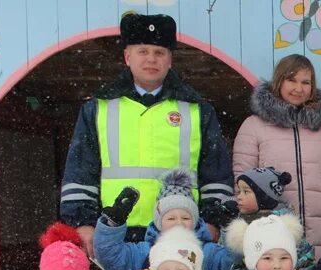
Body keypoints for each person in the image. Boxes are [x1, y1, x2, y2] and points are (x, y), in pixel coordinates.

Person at [61, 12, 234, 253]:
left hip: (182, 232)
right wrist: (82, 223)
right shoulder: (97, 108)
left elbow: (216, 173)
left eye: (159, 52)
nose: (151, 59)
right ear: (127, 57)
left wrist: (214, 222)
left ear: (170, 59)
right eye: (143, 51)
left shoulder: (198, 110)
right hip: (116, 232)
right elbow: (80, 171)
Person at [232, 54, 321, 259]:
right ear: (279, 81)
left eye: (306, 82)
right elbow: (242, 181)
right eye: (292, 80)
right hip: (273, 234)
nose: (299, 88)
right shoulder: (253, 126)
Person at [93, 168, 237, 270]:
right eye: (171, 218)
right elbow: (110, 257)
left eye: (186, 218)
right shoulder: (144, 253)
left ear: (195, 221)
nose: (179, 223)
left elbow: (232, 265)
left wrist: (230, 228)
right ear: (158, 222)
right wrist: (113, 224)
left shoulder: (208, 253)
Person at [233, 166, 314, 270]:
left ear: (263, 196)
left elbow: (305, 256)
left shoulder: (285, 226)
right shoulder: (240, 222)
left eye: (246, 192)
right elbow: (233, 259)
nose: (239, 197)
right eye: (239, 191)